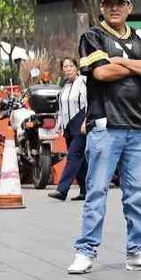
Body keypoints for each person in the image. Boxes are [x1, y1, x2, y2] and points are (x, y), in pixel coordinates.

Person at [68, 0, 141, 274]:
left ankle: (138, 251)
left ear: (129, 8)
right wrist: (138, 66)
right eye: (109, 3)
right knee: (96, 191)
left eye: (120, 3)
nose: (114, 8)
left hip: (139, 128)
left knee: (135, 193)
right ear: (102, 7)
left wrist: (122, 62)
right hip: (105, 127)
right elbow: (100, 72)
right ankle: (85, 251)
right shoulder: (93, 36)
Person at [48, 58, 87, 201]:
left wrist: (86, 121)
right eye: (65, 66)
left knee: (73, 156)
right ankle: (85, 191)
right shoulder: (64, 86)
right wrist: (58, 126)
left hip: (81, 123)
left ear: (76, 68)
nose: (68, 68)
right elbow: (61, 108)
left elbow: (91, 102)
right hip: (68, 126)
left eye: (71, 65)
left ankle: (62, 190)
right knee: (80, 160)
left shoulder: (84, 81)